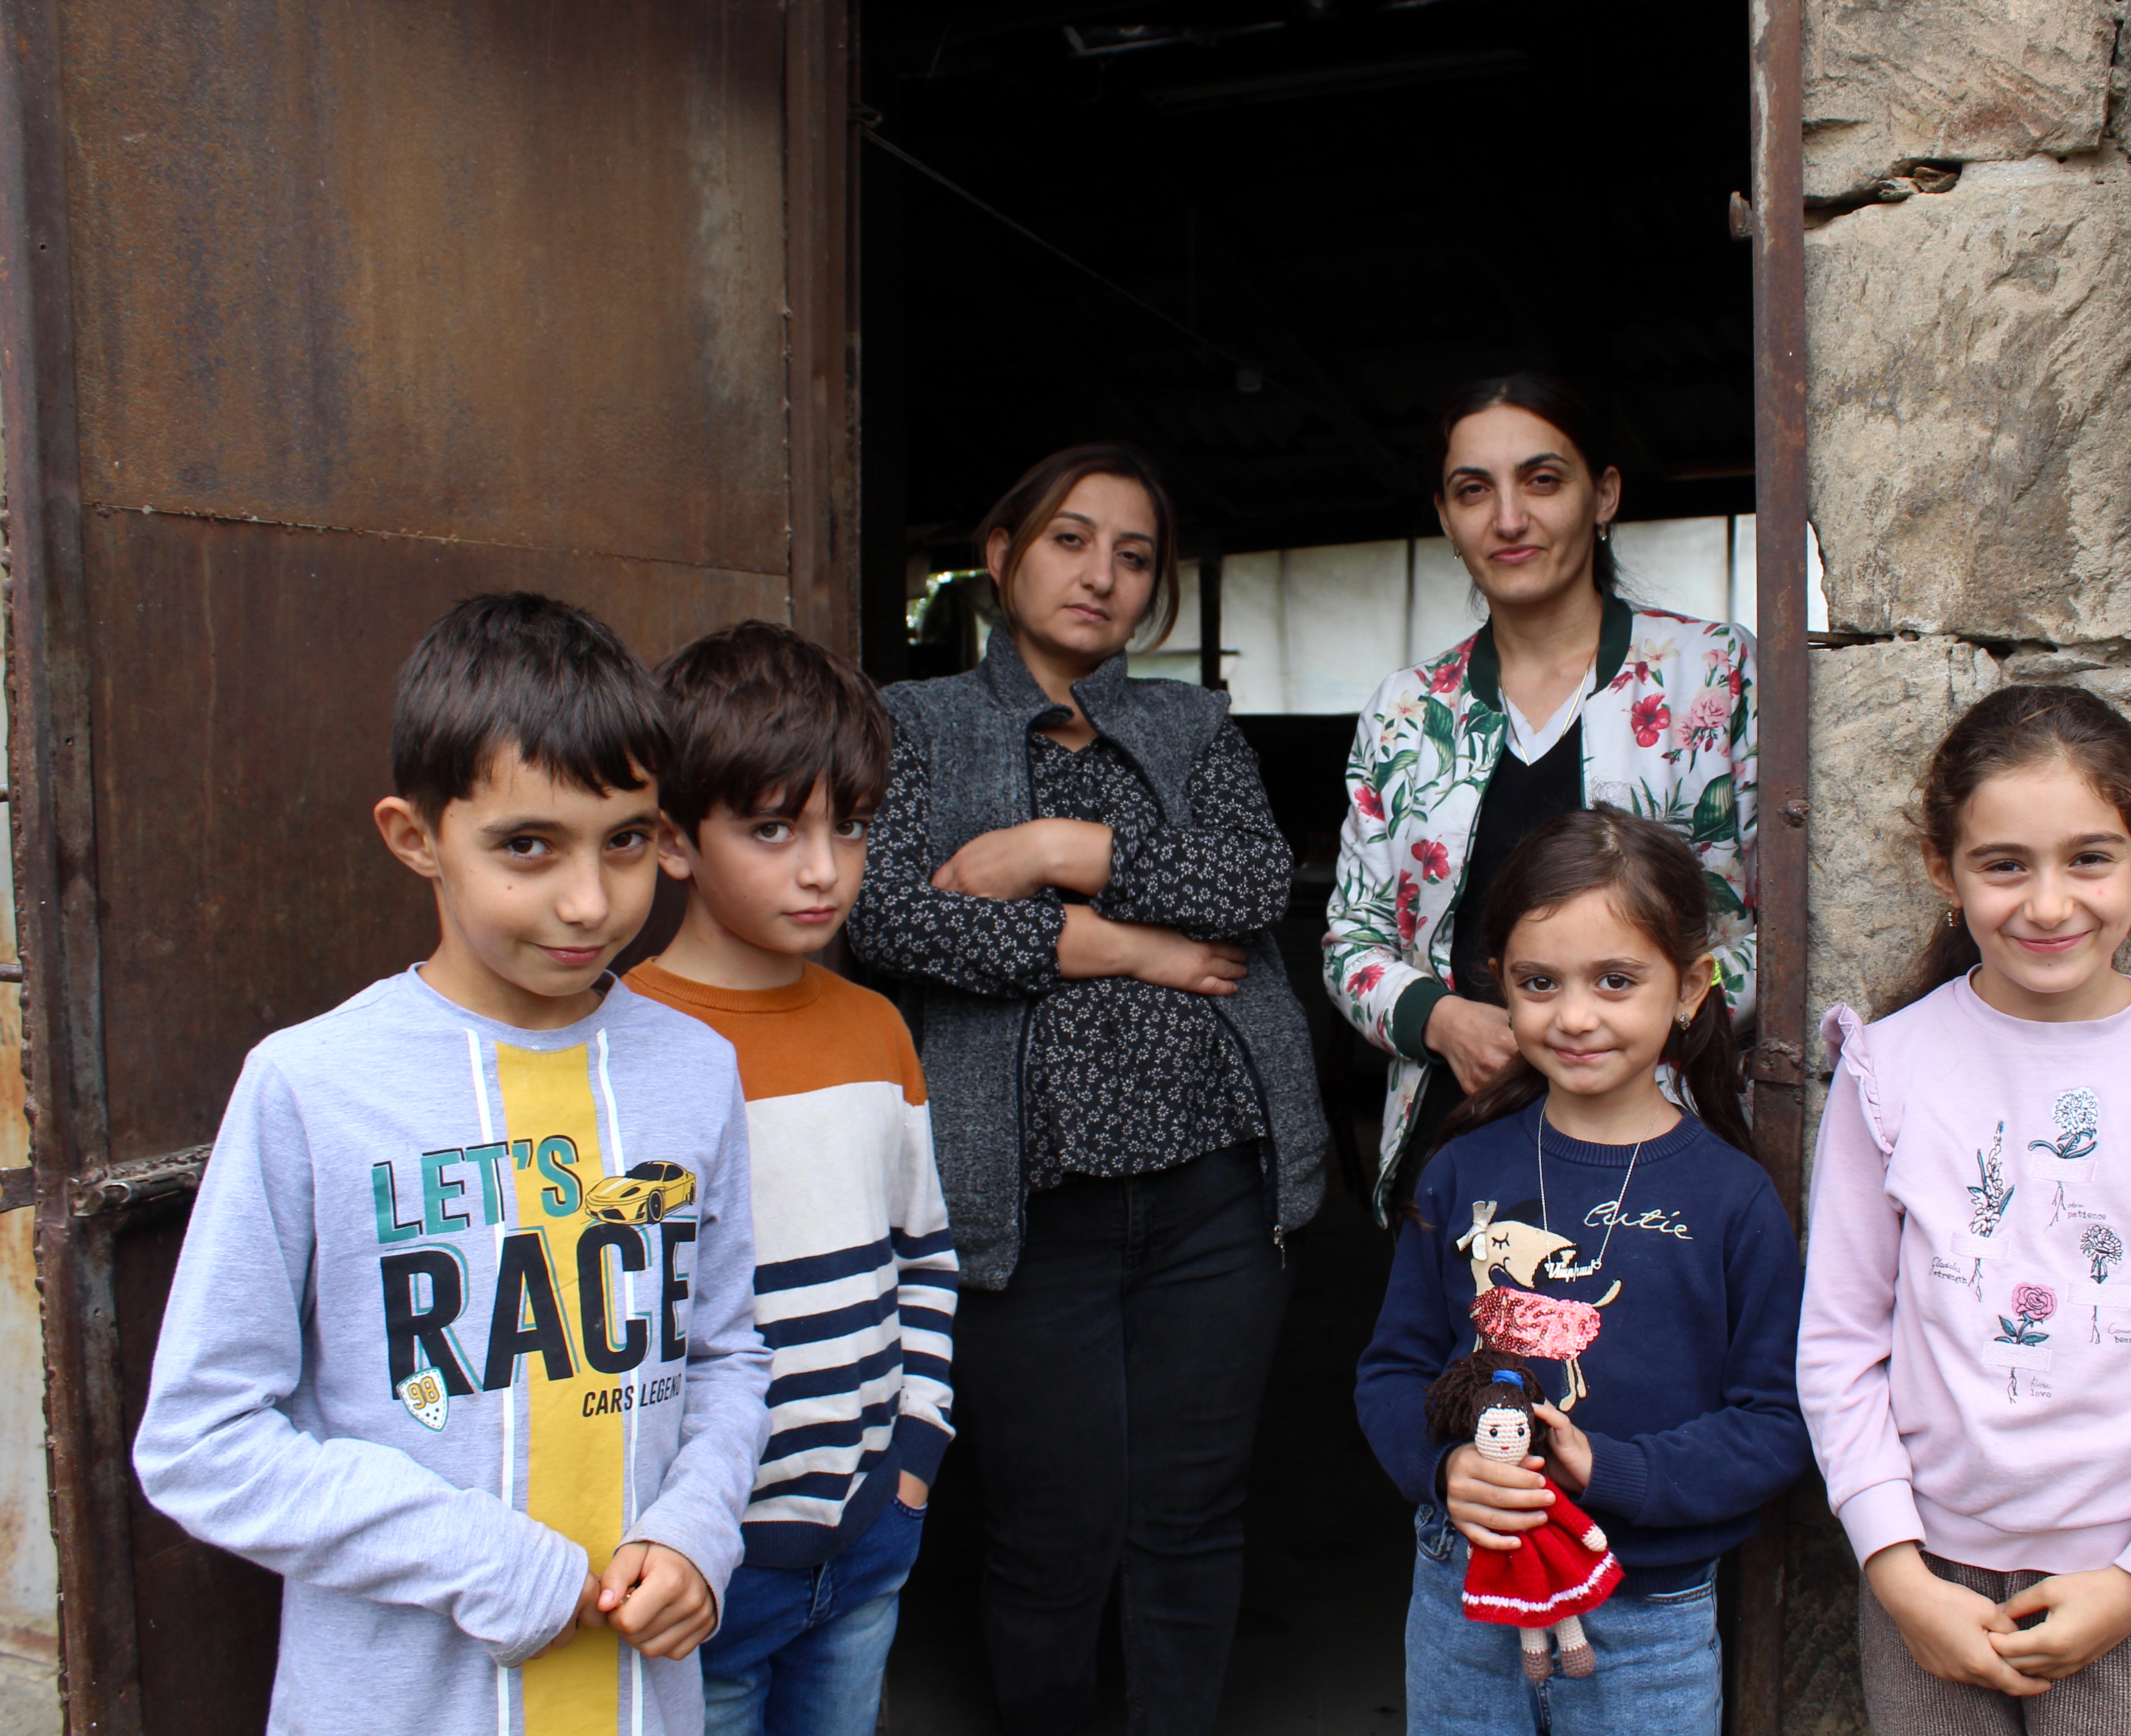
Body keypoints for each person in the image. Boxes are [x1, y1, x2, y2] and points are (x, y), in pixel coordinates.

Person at [131, 594, 772, 1735]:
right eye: (528, 845)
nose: (590, 901)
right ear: (415, 836)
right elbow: (202, 1441)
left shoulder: (697, 1071)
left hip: (641, 1705)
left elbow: (725, 1354)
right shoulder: (310, 1085)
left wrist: (697, 1531)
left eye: (626, 840)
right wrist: (482, 1557)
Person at [847, 444, 1328, 1736]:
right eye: (1069, 540)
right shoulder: (918, 723)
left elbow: (1251, 887)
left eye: (1132, 555)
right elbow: (890, 918)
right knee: (1052, 1529)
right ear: (1001, 556)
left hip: (1216, 1197)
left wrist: (1055, 850)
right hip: (1025, 1202)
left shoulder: (1190, 725)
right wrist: (1119, 944)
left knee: (1189, 1515)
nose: (1100, 575)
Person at [1795, 684, 2131, 1736]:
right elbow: (1839, 1337)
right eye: (2003, 864)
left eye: (2089, 857)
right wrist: (1894, 1566)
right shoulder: (1890, 1071)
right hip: (1926, 1579)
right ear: (1945, 869)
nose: (2048, 903)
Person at [1355, 806, 1808, 1736]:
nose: (1573, 1016)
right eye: (1538, 982)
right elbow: (1394, 1371)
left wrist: (1617, 1468)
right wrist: (1444, 1471)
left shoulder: (1733, 1199)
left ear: (1689, 988)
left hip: (1652, 1612)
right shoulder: (1464, 1171)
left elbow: (1778, 1422)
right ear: (1500, 986)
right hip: (1465, 1591)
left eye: (1615, 981)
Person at [621, 621, 957, 1733]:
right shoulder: (617, 1049)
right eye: (773, 828)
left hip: (866, 1538)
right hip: (700, 1573)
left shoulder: (875, 1032)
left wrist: (913, 1457)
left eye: (849, 828)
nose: (824, 870)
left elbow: (923, 1256)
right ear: (674, 840)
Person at [1324, 372, 1759, 1224]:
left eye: (1543, 480)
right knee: (1460, 1359)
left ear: (1604, 495)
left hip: (1661, 1138)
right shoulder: (1410, 710)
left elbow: (1775, 924)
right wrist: (1444, 1020)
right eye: (1473, 491)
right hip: (1457, 1143)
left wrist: (1617, 1032)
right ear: (1448, 521)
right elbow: (1351, 937)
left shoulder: (1710, 672)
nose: (1509, 519)